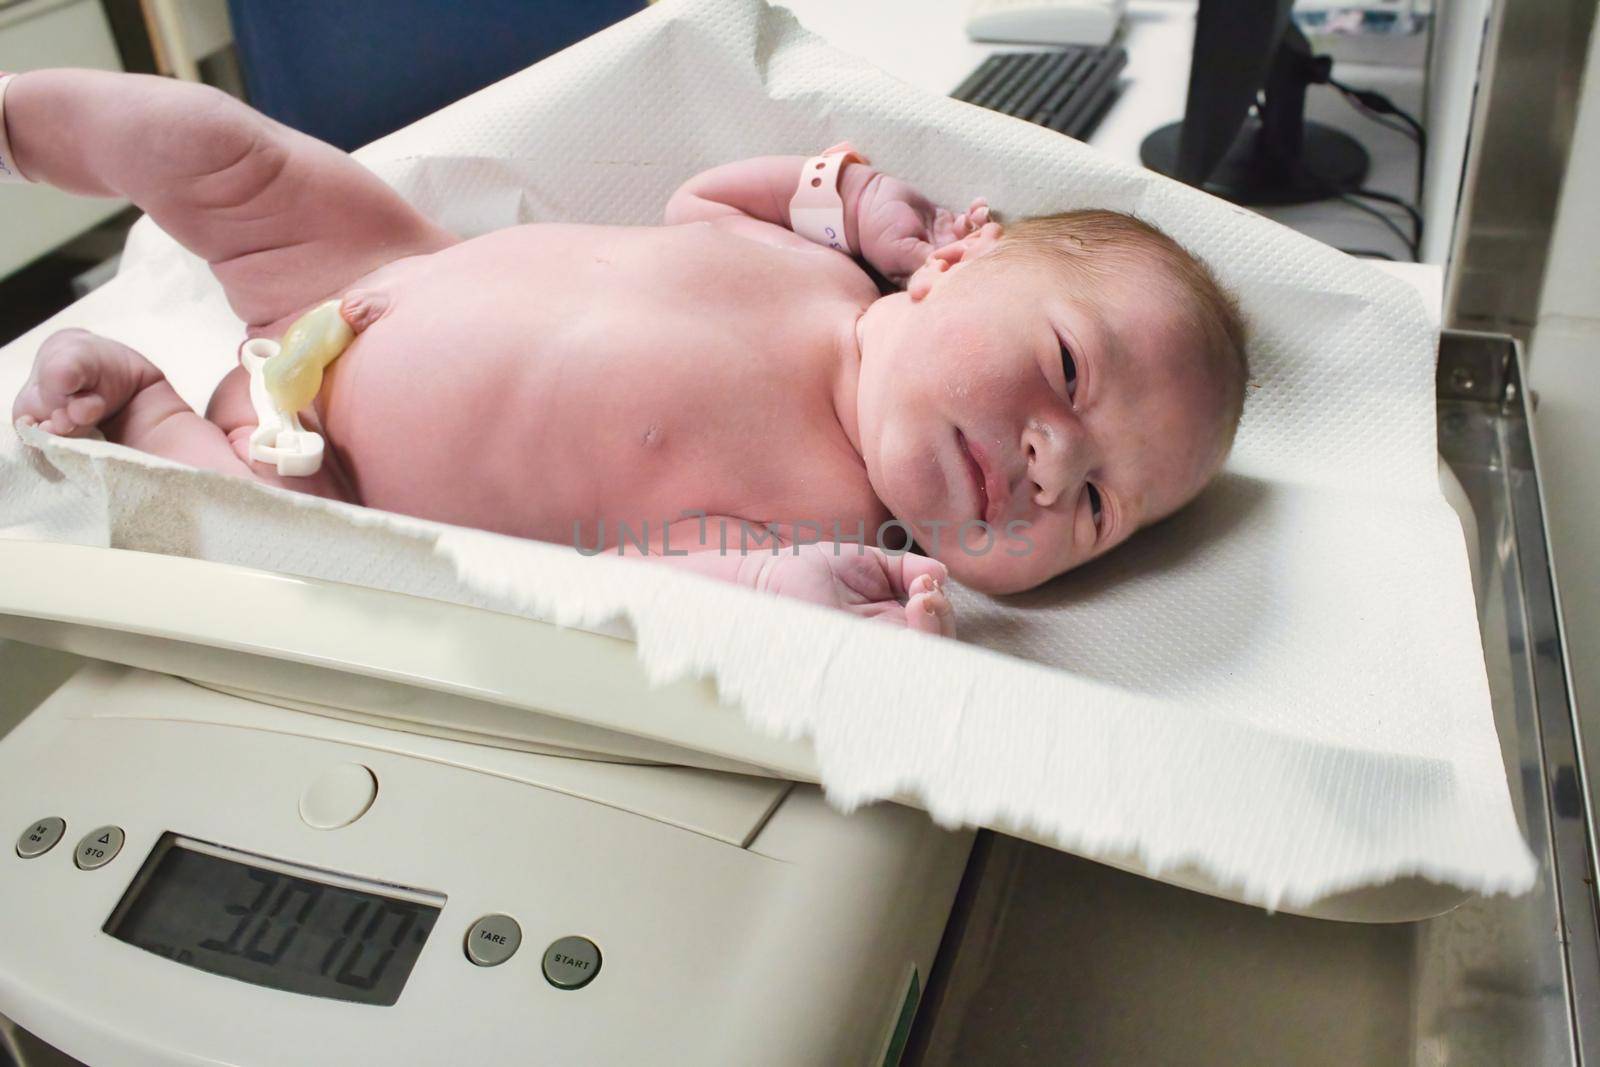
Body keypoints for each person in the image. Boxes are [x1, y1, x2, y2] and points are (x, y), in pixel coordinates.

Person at [5, 70, 1247, 637]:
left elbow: (659, 583)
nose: (1048, 461)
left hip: (320, 471)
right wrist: (849, 193)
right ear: (960, 254)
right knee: (213, 148)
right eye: (1071, 373)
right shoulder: (816, 271)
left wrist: (798, 600)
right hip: (373, 265)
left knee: (242, 541)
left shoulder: (826, 516)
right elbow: (708, 196)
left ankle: (147, 403)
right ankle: (20, 127)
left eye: (1093, 503)